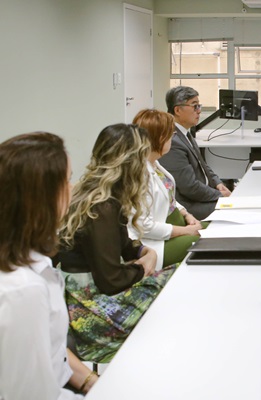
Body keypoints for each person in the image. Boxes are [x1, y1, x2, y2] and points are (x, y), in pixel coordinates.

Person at [55, 124, 176, 363]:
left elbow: (122, 244)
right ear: (131, 162)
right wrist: (144, 266)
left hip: (86, 299)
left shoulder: (95, 193)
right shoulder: (103, 207)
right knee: (177, 284)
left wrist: (144, 251)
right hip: (92, 311)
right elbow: (111, 281)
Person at [0, 132, 98, 399]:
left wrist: (90, 382)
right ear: (43, 198)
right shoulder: (22, 289)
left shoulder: (27, 263)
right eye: (67, 180)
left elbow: (48, 348)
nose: (73, 187)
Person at [130, 109, 203, 268]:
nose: (173, 139)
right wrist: (186, 231)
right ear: (161, 138)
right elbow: (144, 227)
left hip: (174, 228)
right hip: (154, 244)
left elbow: (170, 199)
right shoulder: (139, 174)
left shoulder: (154, 163)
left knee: (216, 229)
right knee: (208, 242)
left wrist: (186, 214)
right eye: (171, 135)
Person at [160, 86, 231, 220]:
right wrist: (219, 195)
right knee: (235, 208)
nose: (199, 111)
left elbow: (202, 164)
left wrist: (217, 183)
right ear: (177, 110)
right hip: (191, 204)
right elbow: (189, 187)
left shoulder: (185, 132)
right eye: (194, 106)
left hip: (200, 196)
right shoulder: (172, 140)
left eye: (199, 106)